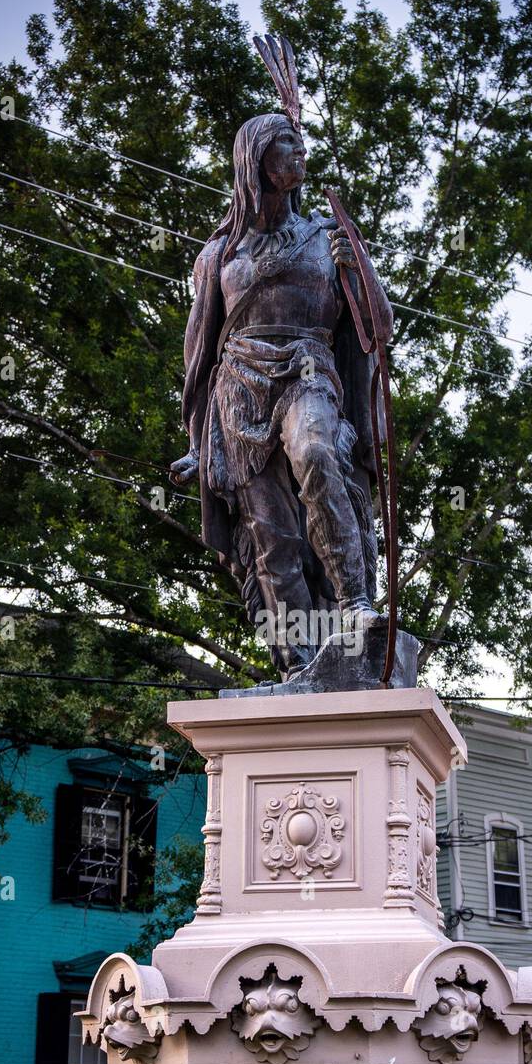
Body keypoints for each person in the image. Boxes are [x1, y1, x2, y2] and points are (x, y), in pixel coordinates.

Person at [171, 111, 393, 677]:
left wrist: (360, 269)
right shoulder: (218, 256)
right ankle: (296, 663)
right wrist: (201, 443)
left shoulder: (329, 238)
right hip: (238, 390)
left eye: (301, 145)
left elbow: (379, 326)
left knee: (315, 451)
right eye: (287, 146)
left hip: (308, 368)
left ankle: (355, 603)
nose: (300, 155)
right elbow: (200, 352)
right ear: (256, 161)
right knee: (274, 539)